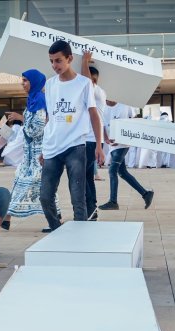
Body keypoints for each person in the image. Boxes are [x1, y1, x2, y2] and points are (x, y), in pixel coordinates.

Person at [39, 40, 105, 231]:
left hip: (76, 147)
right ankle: (55, 228)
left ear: (70, 58)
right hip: (52, 147)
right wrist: (44, 147)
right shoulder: (50, 84)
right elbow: (50, 118)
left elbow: (94, 114)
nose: (54, 65)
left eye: (58, 61)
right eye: (51, 61)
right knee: (45, 196)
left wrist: (99, 146)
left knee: (78, 197)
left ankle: (80, 236)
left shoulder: (84, 83)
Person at [1, 69, 57, 232]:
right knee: (26, 184)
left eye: (25, 80)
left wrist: (21, 120)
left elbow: (36, 128)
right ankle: (8, 217)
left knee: (37, 186)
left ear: (34, 82)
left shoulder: (39, 99)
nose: (22, 83)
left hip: (39, 154)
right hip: (30, 155)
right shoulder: (33, 99)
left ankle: (7, 217)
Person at [98, 99, 154, 211]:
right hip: (112, 145)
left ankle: (113, 202)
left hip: (123, 144)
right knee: (122, 173)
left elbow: (133, 122)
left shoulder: (125, 105)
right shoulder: (103, 107)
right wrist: (106, 140)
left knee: (112, 170)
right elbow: (102, 126)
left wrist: (123, 138)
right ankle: (146, 194)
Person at [81, 51, 107, 219]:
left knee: (82, 176)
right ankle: (92, 209)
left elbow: (85, 79)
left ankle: (90, 209)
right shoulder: (101, 93)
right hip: (94, 139)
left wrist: (84, 60)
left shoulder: (95, 90)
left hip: (91, 140)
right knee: (87, 177)